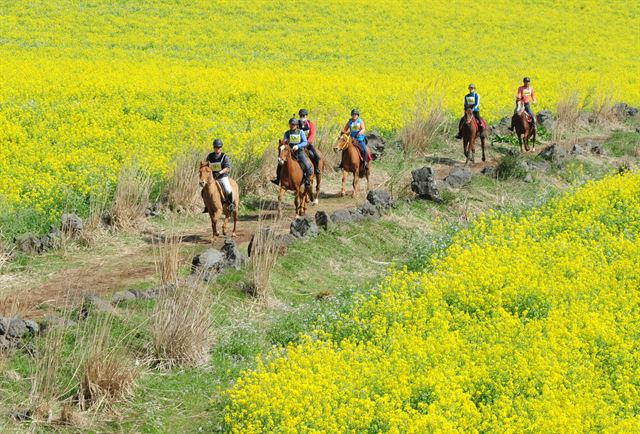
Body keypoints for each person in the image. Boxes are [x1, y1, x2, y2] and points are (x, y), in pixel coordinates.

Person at [272, 118, 313, 188]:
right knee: (280, 165)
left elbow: (305, 142)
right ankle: (278, 179)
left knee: (307, 165)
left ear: (297, 125)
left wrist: (298, 146)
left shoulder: (300, 132)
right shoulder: (287, 133)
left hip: (299, 152)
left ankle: (307, 180)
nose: (292, 126)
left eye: (293, 125)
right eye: (291, 124)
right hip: (289, 153)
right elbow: (285, 142)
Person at [203, 138, 234, 213]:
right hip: (212, 178)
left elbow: (227, 168)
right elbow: (206, 165)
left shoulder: (224, 157)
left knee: (227, 189)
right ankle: (207, 205)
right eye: (215, 147)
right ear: (213, 147)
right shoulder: (210, 156)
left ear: (221, 148)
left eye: (218, 147)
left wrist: (220, 172)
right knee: (203, 190)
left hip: (222, 177)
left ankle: (230, 204)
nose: (217, 149)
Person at [298, 108, 321, 175]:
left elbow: (312, 133)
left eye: (303, 116)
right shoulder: (297, 124)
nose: (302, 117)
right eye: (301, 116)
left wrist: (308, 142)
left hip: (307, 144)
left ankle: (316, 168)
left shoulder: (310, 124)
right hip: (298, 144)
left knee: (315, 155)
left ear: (306, 116)